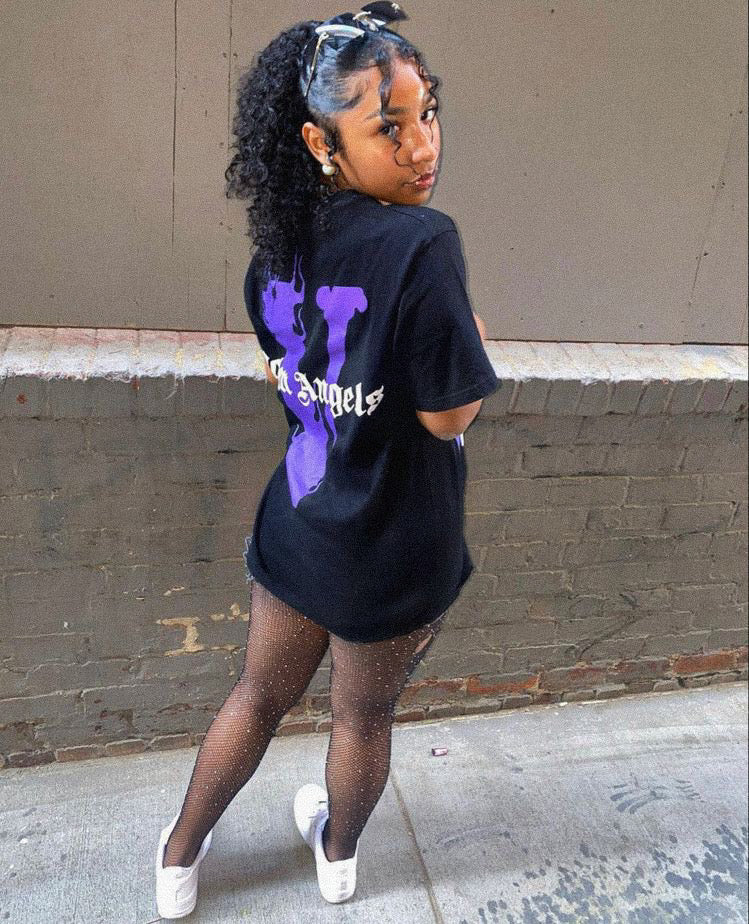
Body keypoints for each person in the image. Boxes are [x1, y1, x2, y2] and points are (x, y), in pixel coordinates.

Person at [155, 2, 500, 917]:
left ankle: (179, 858)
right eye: (388, 127)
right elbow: (447, 415)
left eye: (428, 114)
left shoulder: (273, 253)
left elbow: (293, 378)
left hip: (302, 523)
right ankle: (337, 860)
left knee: (256, 697)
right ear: (320, 141)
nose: (422, 146)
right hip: (394, 546)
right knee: (363, 716)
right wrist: (467, 329)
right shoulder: (422, 244)